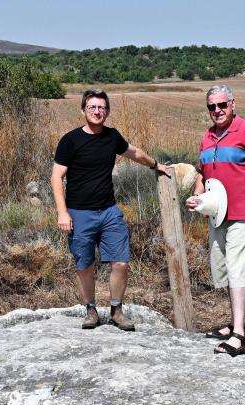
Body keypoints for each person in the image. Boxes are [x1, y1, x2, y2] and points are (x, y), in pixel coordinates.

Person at [52, 88, 171, 331]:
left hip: (109, 211)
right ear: (83, 110)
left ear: (107, 111)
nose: (97, 111)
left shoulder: (111, 136)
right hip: (79, 213)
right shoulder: (70, 140)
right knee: (84, 264)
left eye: (102, 107)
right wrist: (62, 213)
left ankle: (116, 309)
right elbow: (56, 178)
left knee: (121, 262)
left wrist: (156, 165)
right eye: (92, 107)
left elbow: (133, 152)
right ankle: (91, 310)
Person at [186, 84, 245, 356]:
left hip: (242, 215)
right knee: (223, 269)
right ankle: (233, 323)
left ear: (233, 104)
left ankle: (239, 336)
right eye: (212, 106)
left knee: (237, 270)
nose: (217, 110)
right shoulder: (207, 137)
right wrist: (196, 198)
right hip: (216, 216)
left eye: (222, 105)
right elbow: (203, 174)